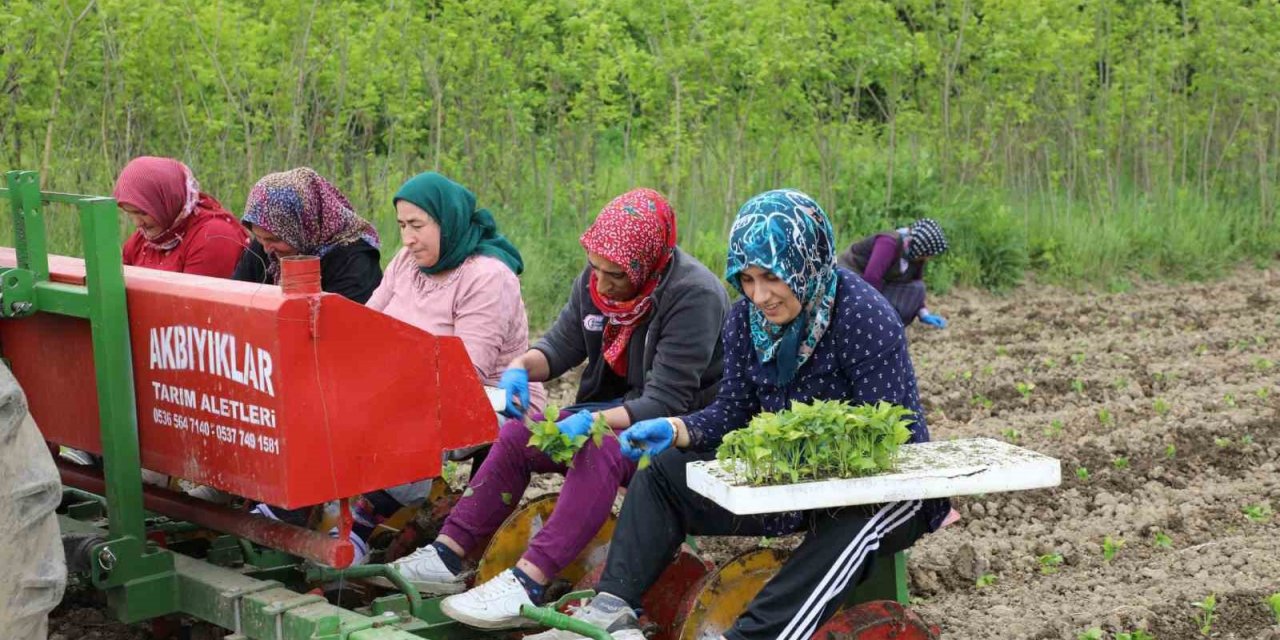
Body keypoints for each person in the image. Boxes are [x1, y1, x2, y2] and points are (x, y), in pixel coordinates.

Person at [527, 189, 950, 640]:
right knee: (663, 474)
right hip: (788, 479)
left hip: (887, 488)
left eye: (771, 277)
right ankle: (611, 608)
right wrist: (675, 428)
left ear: (806, 263)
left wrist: (803, 454)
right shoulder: (745, 320)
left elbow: (892, 438)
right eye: (746, 279)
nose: (760, 295)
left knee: (856, 520)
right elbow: (733, 412)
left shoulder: (863, 317)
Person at [388, 188, 730, 630]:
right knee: (516, 435)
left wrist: (593, 421)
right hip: (617, 409)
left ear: (649, 266)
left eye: (616, 276)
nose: (602, 285)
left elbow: (665, 399)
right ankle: (447, 556)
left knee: (598, 448)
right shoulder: (597, 283)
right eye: (596, 269)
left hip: (680, 430)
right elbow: (558, 347)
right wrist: (520, 367)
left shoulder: (693, 295)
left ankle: (526, 583)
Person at [351, 171, 546, 544]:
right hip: (414, 386)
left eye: (417, 225)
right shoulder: (406, 263)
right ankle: (336, 513)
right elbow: (368, 324)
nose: (407, 238)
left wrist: (391, 384)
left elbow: (466, 373)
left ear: (446, 221)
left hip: (492, 397)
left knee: (402, 415)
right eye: (402, 225)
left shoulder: (487, 276)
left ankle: (363, 527)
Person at [232, 167, 382, 303]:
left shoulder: (354, 261)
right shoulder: (265, 247)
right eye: (258, 237)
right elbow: (236, 297)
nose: (266, 248)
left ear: (305, 225)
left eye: (275, 239)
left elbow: (344, 324)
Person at [114, 156, 246, 277]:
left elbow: (196, 301)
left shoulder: (213, 235)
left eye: (143, 213)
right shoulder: (144, 240)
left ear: (166, 202)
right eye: (130, 213)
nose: (137, 223)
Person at [836, 218, 949, 328]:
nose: (927, 258)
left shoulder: (914, 255)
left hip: (875, 285)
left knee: (917, 288)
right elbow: (872, 279)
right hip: (852, 278)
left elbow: (916, 283)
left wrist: (924, 313)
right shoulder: (888, 243)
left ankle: (889, 323)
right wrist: (872, 312)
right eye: (927, 254)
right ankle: (866, 321)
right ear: (921, 248)